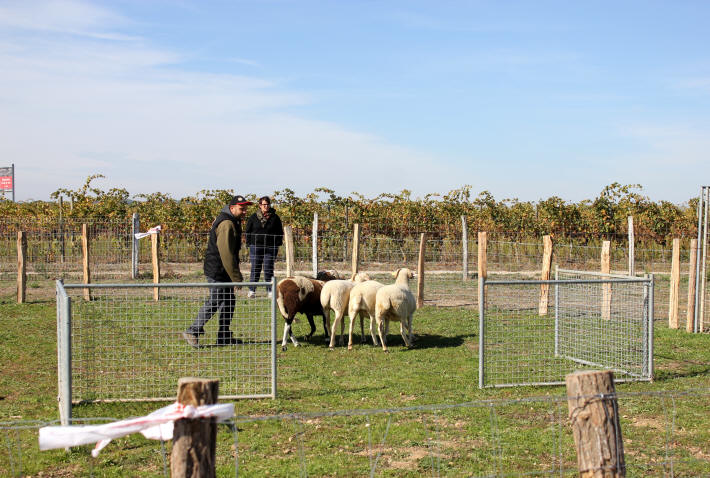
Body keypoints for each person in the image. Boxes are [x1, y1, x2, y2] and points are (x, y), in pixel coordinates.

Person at [183, 194, 253, 347]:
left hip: (223, 269)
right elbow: (226, 253)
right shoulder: (227, 223)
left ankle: (224, 336)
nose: (244, 211)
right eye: (242, 208)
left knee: (228, 301)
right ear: (232, 208)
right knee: (216, 300)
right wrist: (236, 277)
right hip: (217, 269)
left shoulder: (231, 220)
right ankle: (193, 330)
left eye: (246, 209)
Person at [245, 196, 284, 298]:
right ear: (260, 205)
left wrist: (277, 244)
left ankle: (270, 291)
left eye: (267, 204)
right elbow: (248, 231)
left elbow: (280, 232)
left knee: (268, 269)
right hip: (256, 246)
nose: (265, 206)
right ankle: (252, 290)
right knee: (255, 268)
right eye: (263, 204)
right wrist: (248, 243)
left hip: (270, 248)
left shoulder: (275, 218)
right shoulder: (253, 217)